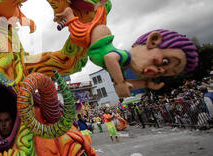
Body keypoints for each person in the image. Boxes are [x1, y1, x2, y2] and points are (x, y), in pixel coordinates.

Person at [55, 7, 199, 98]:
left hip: (94, 44)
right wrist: (120, 82)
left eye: (163, 72)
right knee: (77, 35)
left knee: (77, 40)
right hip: (99, 38)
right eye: (165, 62)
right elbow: (110, 58)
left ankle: (73, 16)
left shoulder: (121, 68)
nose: (159, 70)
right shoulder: (123, 57)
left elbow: (128, 83)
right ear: (153, 41)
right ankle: (70, 14)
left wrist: (145, 84)